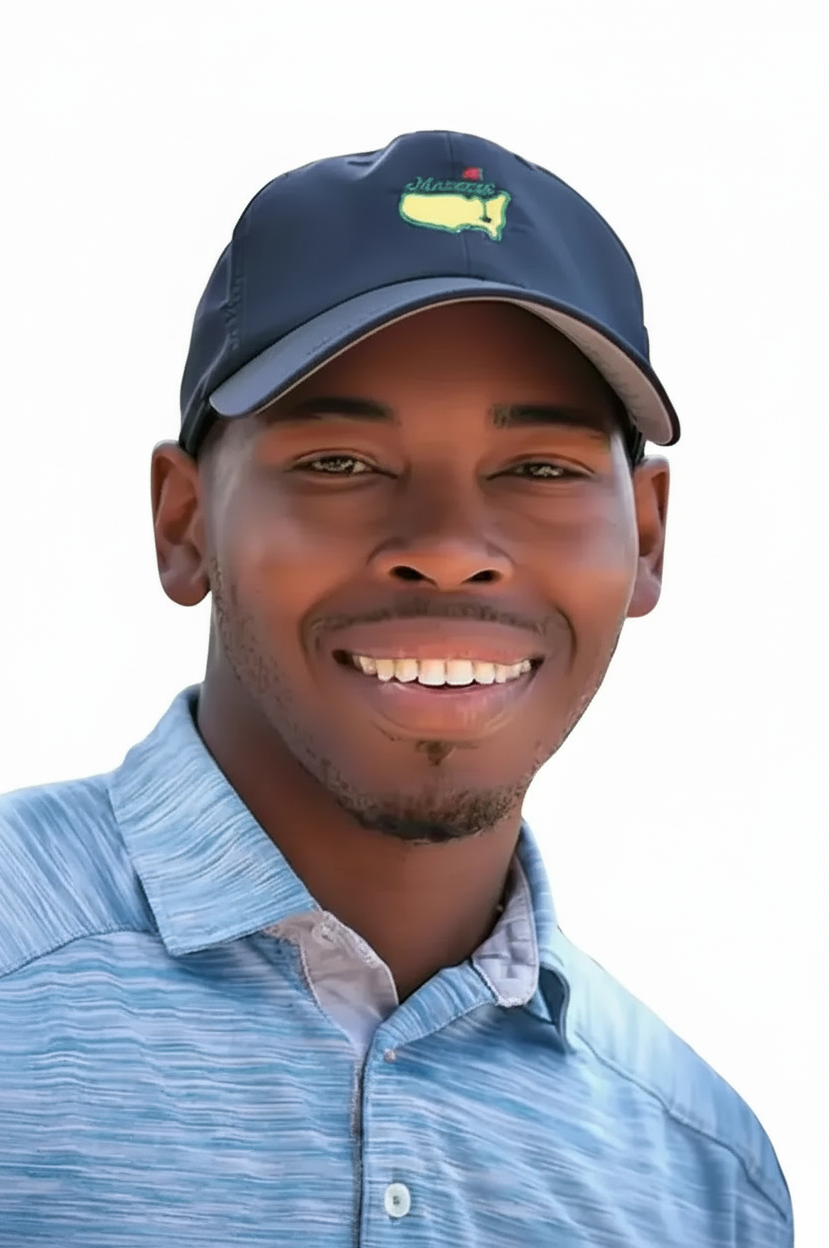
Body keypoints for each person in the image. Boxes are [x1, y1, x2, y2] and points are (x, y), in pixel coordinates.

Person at [0, 131, 792, 1245]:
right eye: (340, 464)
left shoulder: (704, 1180)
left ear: (647, 541)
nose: (450, 548)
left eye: (540, 470)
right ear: (184, 525)